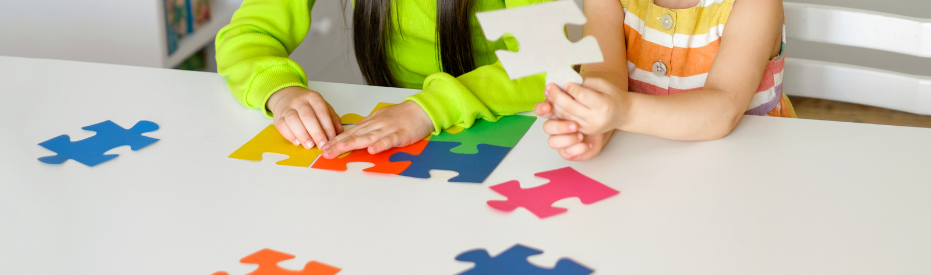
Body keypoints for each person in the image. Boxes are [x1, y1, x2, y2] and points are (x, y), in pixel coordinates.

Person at [216, 0, 548, 159]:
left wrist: (427, 109)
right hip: (395, 130)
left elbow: (550, 62)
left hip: (508, 123)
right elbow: (247, 35)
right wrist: (279, 90)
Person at [535, 0, 795, 161]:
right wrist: (594, 120)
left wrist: (621, 112)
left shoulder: (756, 3)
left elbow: (723, 107)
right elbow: (605, 75)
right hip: (644, 163)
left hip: (751, 163)